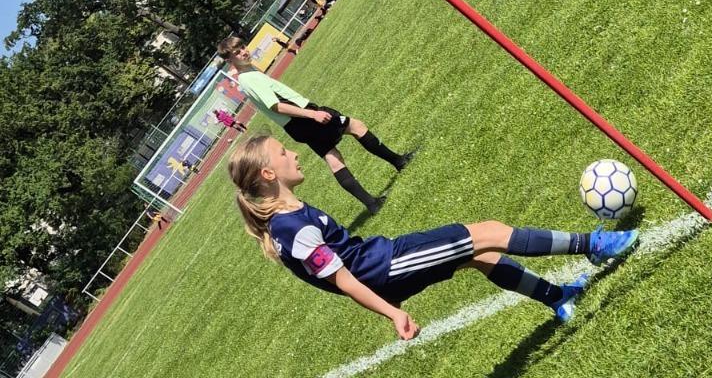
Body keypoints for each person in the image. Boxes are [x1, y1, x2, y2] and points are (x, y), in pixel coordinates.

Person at [229, 135, 640, 336]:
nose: (294, 154)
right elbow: (343, 281)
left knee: (476, 255)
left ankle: (558, 297)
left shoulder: (286, 218)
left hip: (384, 258)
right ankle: (593, 246)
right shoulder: (291, 228)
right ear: (268, 173)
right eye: (283, 153)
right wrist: (392, 312)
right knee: (487, 233)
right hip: (385, 268)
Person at [217, 36, 416, 214]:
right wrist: (312, 113)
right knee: (355, 126)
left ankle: (371, 203)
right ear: (230, 61)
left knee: (332, 157)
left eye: (243, 47)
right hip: (303, 116)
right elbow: (276, 105)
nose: (244, 52)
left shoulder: (249, 73)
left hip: (295, 125)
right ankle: (399, 162)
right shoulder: (248, 79)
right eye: (237, 53)